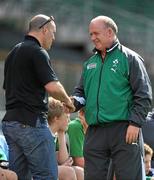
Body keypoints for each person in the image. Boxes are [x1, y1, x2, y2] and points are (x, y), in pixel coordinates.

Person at [72, 15, 152, 180]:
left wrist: (135, 123)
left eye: (96, 33)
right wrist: (71, 103)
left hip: (124, 130)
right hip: (95, 132)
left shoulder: (130, 58)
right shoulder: (89, 64)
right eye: (90, 34)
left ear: (109, 32)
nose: (92, 38)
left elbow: (144, 95)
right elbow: (81, 94)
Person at [2, 14, 75, 180]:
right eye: (53, 32)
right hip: (31, 124)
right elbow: (52, 87)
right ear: (44, 30)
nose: (54, 37)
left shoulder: (13, 52)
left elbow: (8, 89)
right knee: (47, 176)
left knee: (19, 177)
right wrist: (67, 101)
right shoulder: (38, 52)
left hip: (11, 124)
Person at [47, 98, 84, 180]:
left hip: (47, 169)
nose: (69, 121)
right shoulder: (44, 133)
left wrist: (61, 133)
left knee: (79, 172)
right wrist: (62, 167)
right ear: (56, 118)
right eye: (67, 117)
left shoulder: (55, 134)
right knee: (68, 172)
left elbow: (63, 160)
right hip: (33, 172)